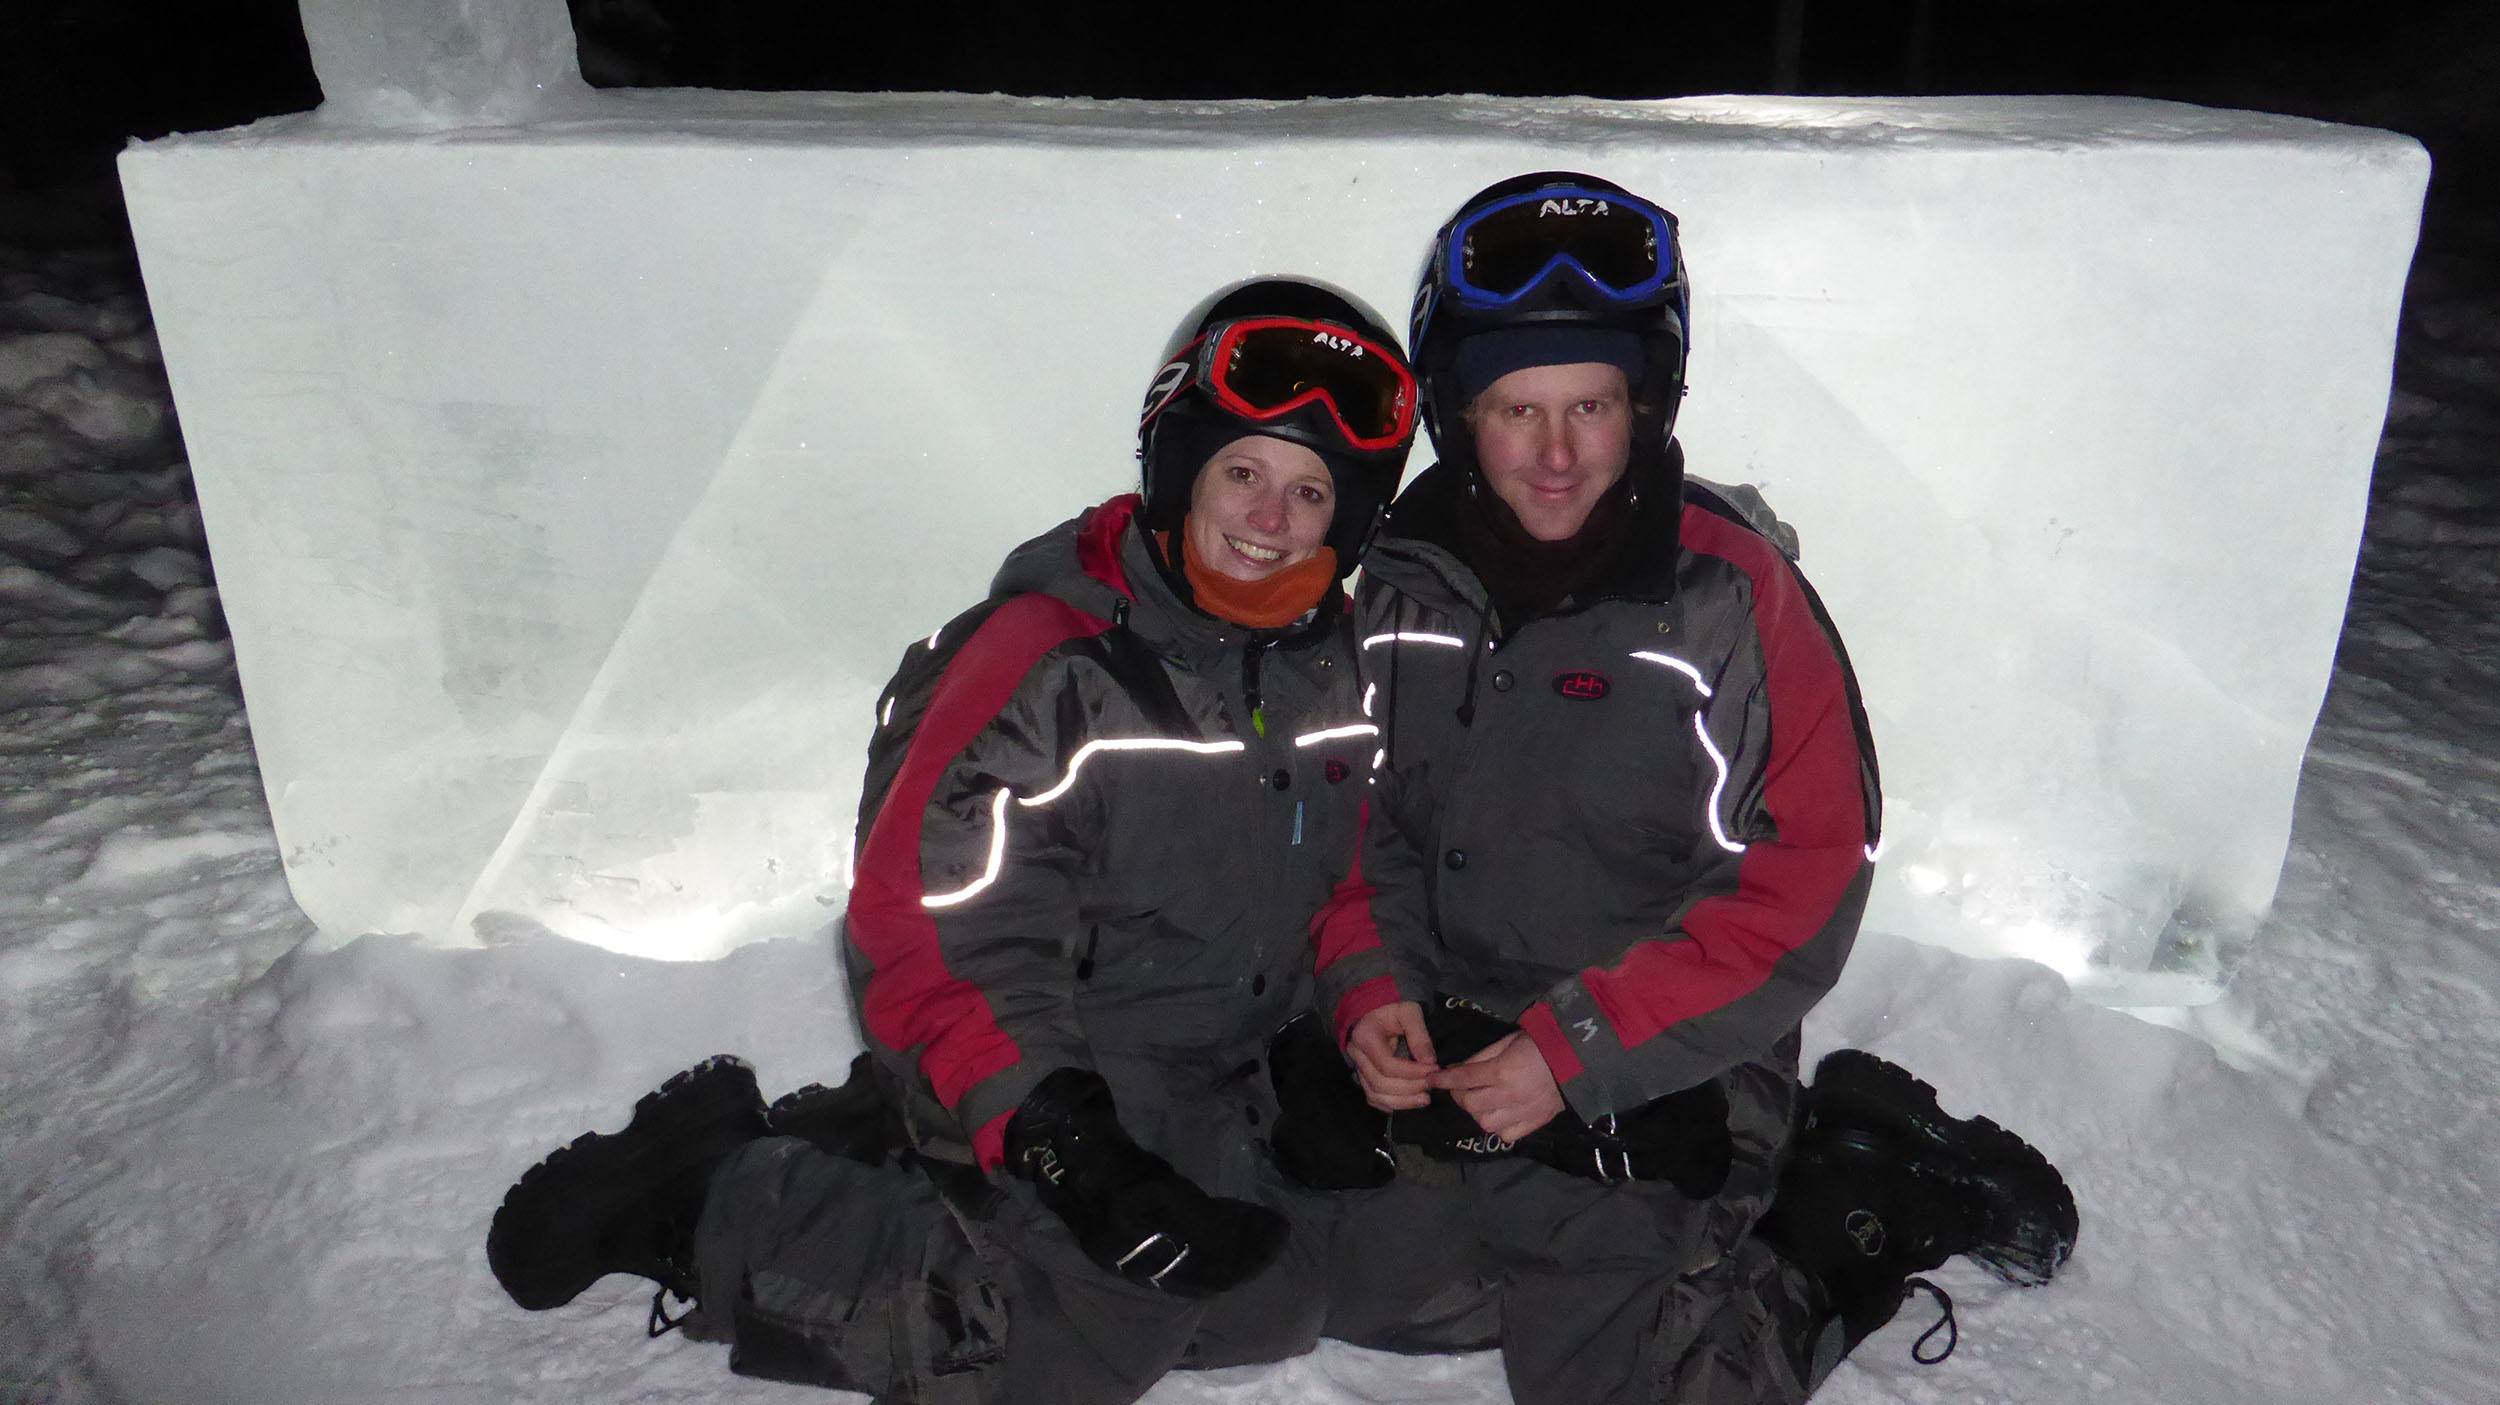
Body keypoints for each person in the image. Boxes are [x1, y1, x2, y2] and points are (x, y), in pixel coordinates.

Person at [485, 276, 1423, 1402]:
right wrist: (1068, 1149)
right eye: (1242, 473)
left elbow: (1352, 876)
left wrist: (1352, 1009)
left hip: (1204, 1065)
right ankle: (705, 1197)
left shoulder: (1331, 661)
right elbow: (922, 934)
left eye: (1310, 491)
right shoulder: (1043, 662)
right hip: (1049, 1061)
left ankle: (878, 1142)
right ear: (1180, 466)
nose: (1271, 520)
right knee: (1072, 1330)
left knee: (1281, 1298)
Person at [1288, 173, 2077, 1404]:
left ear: (1648, 400)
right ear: (1459, 413)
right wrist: (1370, 989)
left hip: (1675, 1045)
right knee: (1352, 1284)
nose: (1554, 454)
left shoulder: (1730, 600)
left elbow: (1801, 884)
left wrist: (1573, 1050)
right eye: (1516, 409)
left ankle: (1851, 1200)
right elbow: (1357, 825)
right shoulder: (1398, 584)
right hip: (1458, 1021)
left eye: (1592, 405)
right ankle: (1635, 1240)